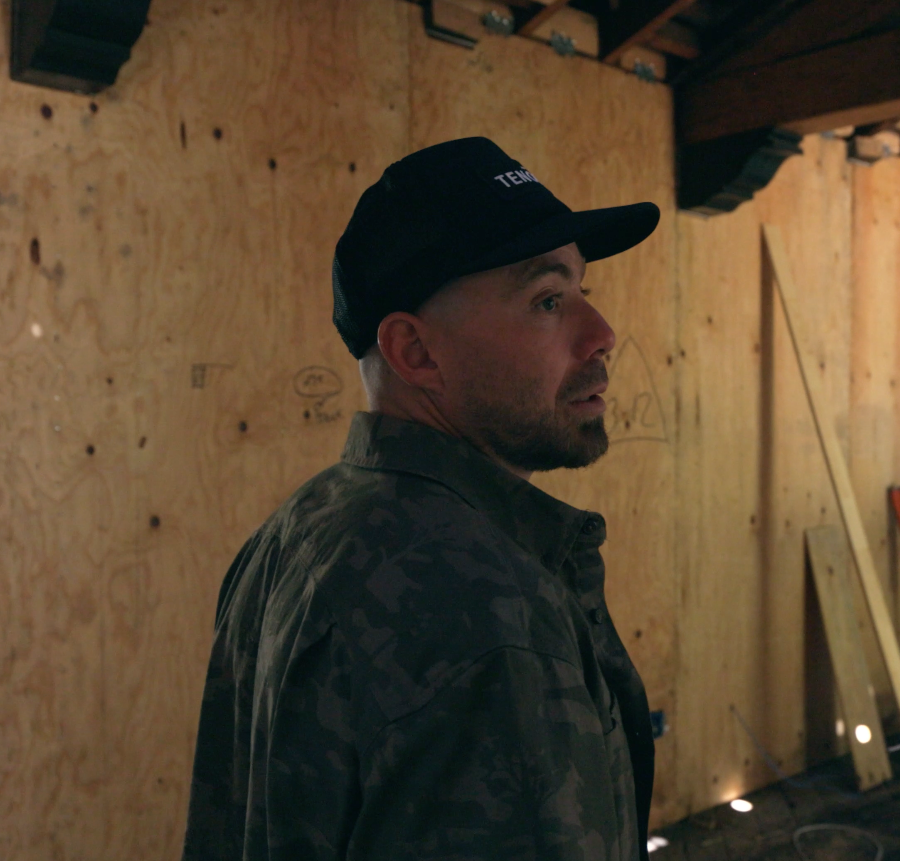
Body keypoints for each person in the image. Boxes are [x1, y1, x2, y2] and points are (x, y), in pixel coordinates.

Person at [183, 137, 660, 860]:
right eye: (548, 300)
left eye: (582, 294)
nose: (602, 334)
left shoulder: (300, 529)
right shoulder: (483, 607)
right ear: (415, 352)